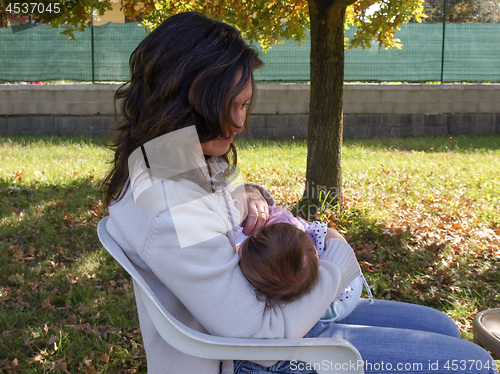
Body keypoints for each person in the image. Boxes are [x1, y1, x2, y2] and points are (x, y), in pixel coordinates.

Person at [102, 11, 497, 374]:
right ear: (185, 101)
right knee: (470, 363)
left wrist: (248, 194)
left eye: (246, 105)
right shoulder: (169, 204)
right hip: (247, 358)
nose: (240, 123)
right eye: (228, 107)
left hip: (270, 317)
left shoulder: (168, 155)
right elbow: (262, 337)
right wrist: (337, 263)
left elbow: (218, 217)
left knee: (440, 324)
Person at [236, 205, 372, 322]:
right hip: (345, 271)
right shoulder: (284, 225)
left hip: (344, 290)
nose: (240, 247)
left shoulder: (301, 293)